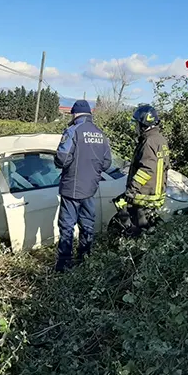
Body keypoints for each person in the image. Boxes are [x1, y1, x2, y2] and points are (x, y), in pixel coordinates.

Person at [54, 99, 112, 272]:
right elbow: (107, 163)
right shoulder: (101, 134)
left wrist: (58, 162)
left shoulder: (73, 131)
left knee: (67, 225)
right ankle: (85, 258)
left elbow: (62, 158)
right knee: (87, 224)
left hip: (72, 187)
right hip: (90, 188)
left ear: (75, 113)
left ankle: (64, 264)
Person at [116, 104, 170, 237]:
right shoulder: (160, 140)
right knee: (149, 228)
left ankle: (137, 252)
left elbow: (147, 170)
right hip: (155, 194)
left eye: (137, 124)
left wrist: (131, 190)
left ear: (144, 123)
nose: (136, 127)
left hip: (144, 194)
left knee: (140, 230)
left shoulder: (148, 142)